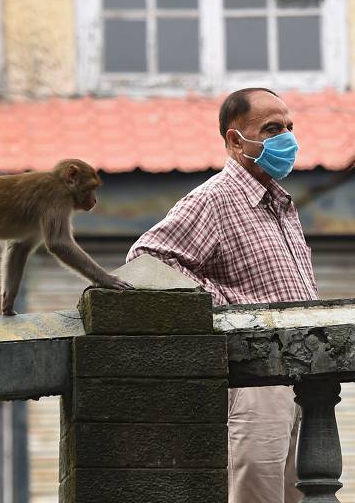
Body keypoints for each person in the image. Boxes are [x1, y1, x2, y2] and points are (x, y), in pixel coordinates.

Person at [127, 88, 317, 503]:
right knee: (256, 492)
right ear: (234, 140)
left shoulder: (279, 202)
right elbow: (147, 258)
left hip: (302, 377)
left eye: (289, 127)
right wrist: (227, 306)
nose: (287, 138)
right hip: (255, 380)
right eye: (271, 129)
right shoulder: (214, 199)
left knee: (300, 494)